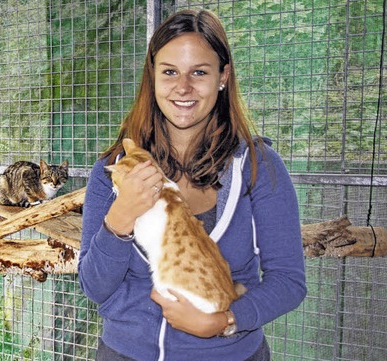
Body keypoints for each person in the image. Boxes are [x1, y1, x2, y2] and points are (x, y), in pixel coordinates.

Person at [78, 9, 307, 361]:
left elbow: (289, 281)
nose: (183, 87)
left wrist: (226, 320)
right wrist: (119, 220)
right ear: (152, 77)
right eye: (169, 72)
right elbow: (94, 288)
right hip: (125, 352)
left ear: (223, 77)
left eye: (199, 72)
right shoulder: (111, 169)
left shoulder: (258, 167)